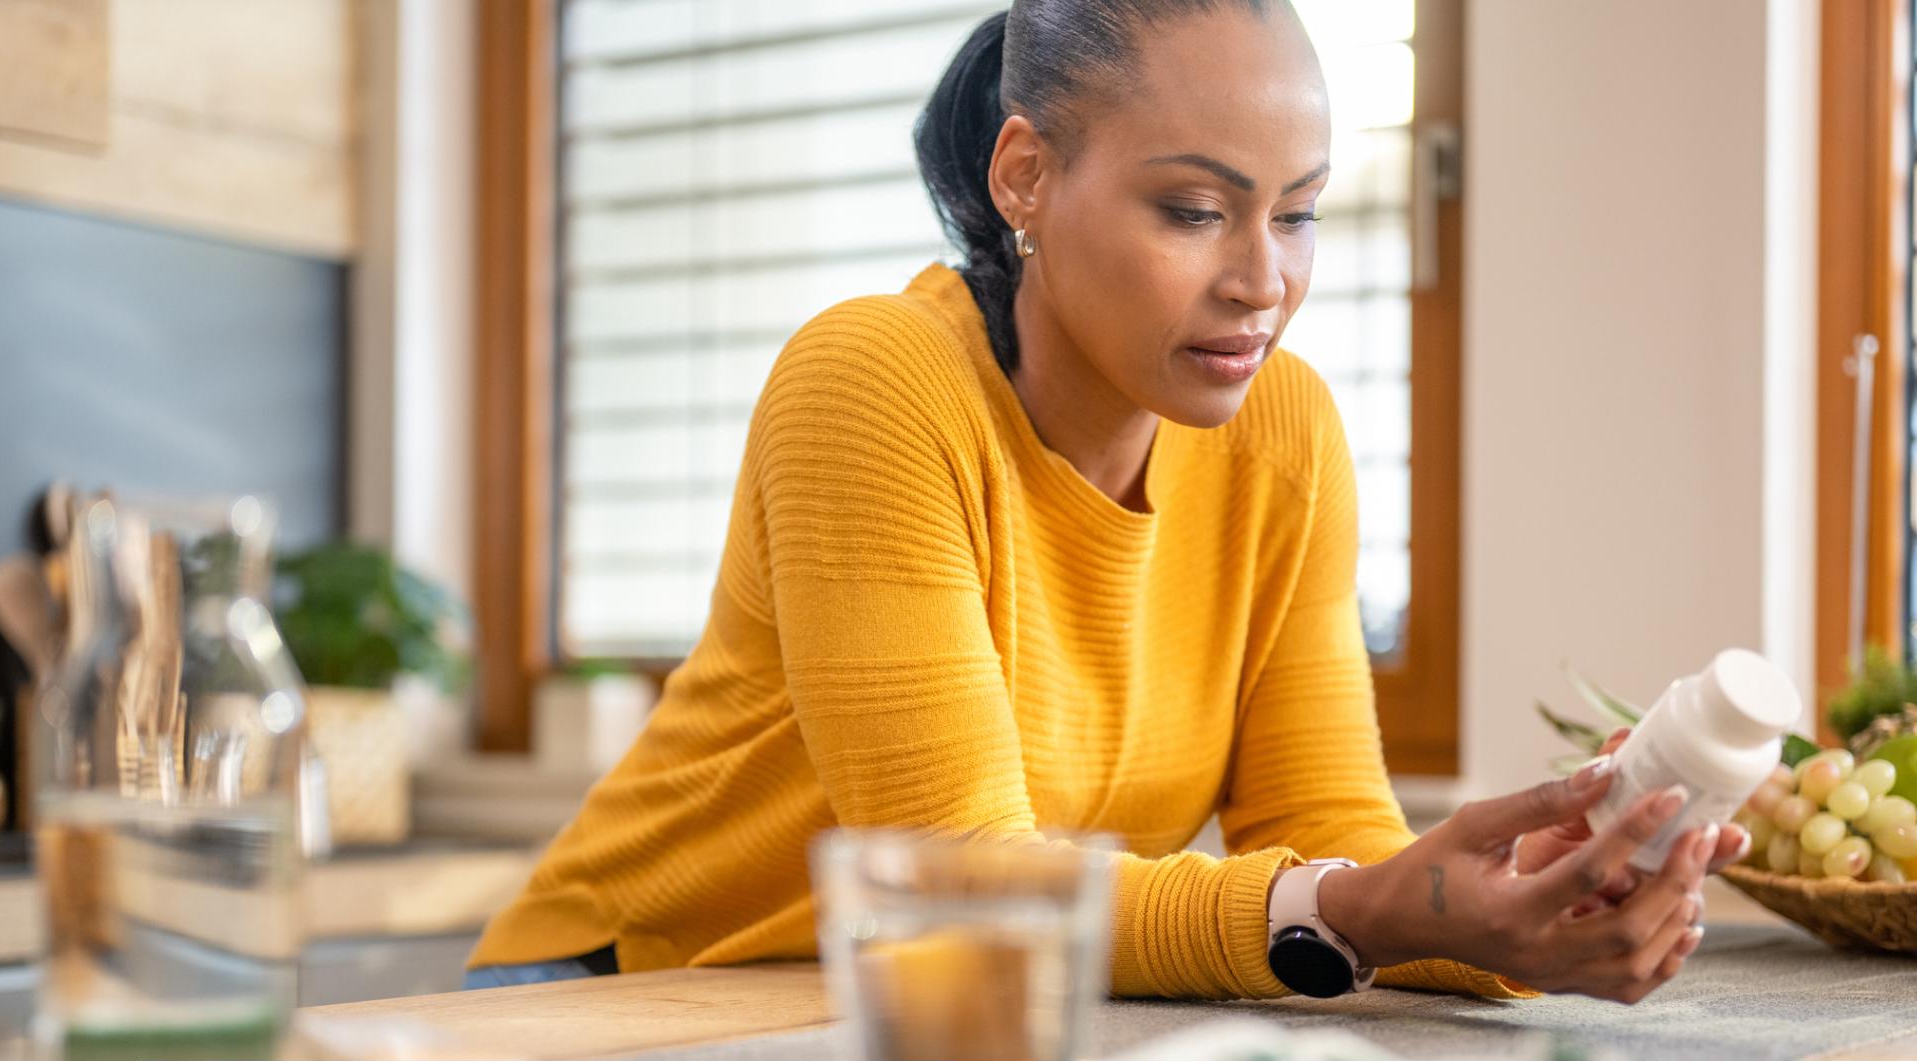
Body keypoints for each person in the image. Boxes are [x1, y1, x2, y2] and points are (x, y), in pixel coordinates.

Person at [467, 0, 1745, 1003]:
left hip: (921, 1021)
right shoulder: (877, 383)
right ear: (1024, 174)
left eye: (1295, 216)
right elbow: (966, 888)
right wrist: (1360, 910)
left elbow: (1324, 834)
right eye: (1194, 210)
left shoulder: (1282, 433)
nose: (1264, 281)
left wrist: (1518, 913)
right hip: (623, 999)